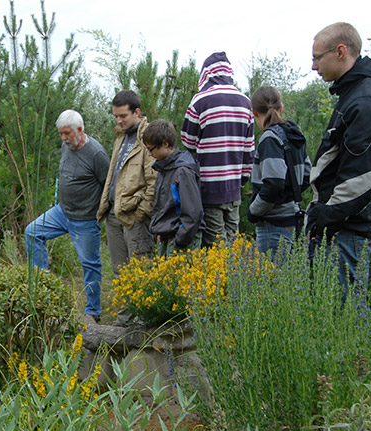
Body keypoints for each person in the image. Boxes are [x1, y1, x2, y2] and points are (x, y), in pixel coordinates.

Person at [307, 22, 371, 287]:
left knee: (343, 312)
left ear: (341, 51)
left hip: (349, 228)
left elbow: (362, 175)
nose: (314, 66)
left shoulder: (366, 101)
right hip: (341, 225)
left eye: (317, 57)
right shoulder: (352, 95)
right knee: (330, 309)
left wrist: (325, 218)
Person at [25, 110, 110, 323]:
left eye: (67, 133)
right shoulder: (66, 146)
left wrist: (101, 215)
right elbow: (62, 174)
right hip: (62, 212)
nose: (63, 138)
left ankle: (93, 310)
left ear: (80, 130)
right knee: (32, 232)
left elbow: (108, 186)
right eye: (60, 134)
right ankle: (41, 289)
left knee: (89, 263)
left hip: (85, 219)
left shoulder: (96, 153)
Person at [181, 52, 255, 248]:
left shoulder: (200, 101)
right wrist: (241, 181)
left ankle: (220, 280)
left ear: (206, 73)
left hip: (210, 187)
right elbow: (249, 150)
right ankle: (235, 278)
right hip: (234, 189)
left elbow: (187, 142)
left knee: (217, 249)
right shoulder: (246, 102)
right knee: (233, 244)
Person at [97, 90, 157, 277]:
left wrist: (141, 213)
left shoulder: (148, 137)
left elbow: (154, 182)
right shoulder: (120, 136)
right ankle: (123, 308)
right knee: (119, 272)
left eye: (123, 116)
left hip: (135, 217)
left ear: (136, 112)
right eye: (116, 116)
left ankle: (139, 308)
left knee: (141, 272)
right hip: (114, 213)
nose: (119, 121)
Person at [247, 86, 311, 260]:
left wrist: (254, 212)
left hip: (273, 224)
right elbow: (307, 175)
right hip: (293, 219)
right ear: (281, 108)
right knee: (292, 282)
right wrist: (290, 196)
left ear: (253, 112)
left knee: (273, 281)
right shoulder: (293, 134)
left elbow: (274, 184)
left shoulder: (269, 139)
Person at [142, 119, 204, 256]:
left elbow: (193, 213)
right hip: (167, 236)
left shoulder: (183, 171)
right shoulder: (163, 168)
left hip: (181, 241)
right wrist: (160, 230)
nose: (149, 154)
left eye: (150, 149)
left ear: (165, 144)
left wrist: (180, 239)